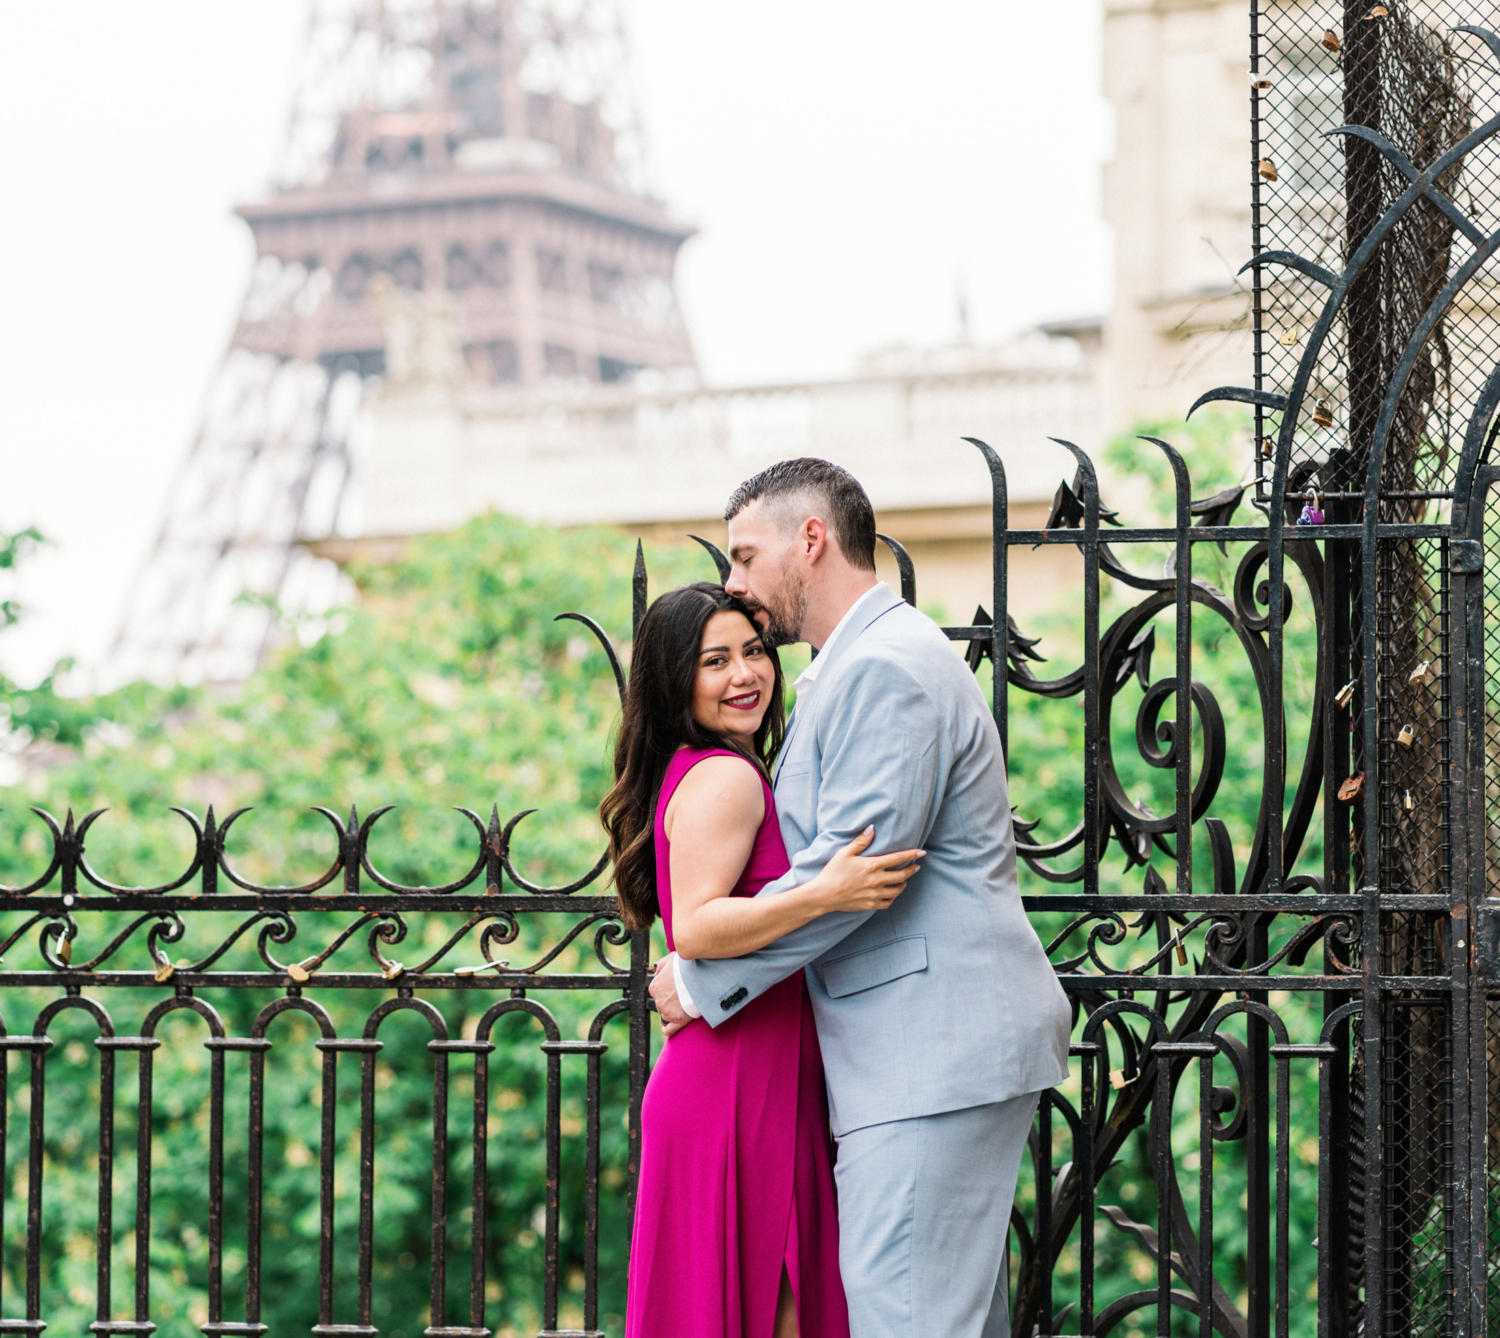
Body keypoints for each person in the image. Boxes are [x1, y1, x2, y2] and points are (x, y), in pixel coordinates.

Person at [650, 459, 1072, 1338]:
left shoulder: (885, 666)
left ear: (811, 541)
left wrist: (698, 983)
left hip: (929, 1054)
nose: (733, 583)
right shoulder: (859, 665)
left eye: (743, 555)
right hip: (920, 1054)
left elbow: (855, 885)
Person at [605, 581, 925, 1338]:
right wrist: (827, 893)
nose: (745, 674)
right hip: (735, 1083)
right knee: (769, 1306)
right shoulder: (725, 776)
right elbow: (703, 928)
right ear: (676, 680)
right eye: (715, 660)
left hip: (752, 1074)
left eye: (754, 652)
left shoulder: (710, 766)